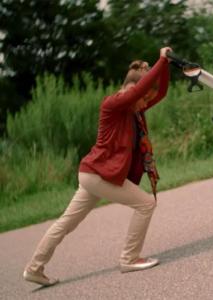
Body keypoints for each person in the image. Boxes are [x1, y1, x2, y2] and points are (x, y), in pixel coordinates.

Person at [23, 47, 172, 286]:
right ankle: (130, 258)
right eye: (142, 97)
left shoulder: (133, 110)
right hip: (99, 174)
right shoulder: (112, 104)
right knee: (146, 204)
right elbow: (144, 90)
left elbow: (160, 92)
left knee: (65, 223)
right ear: (132, 89)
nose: (145, 102)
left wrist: (164, 65)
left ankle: (34, 268)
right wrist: (160, 59)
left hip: (93, 174)